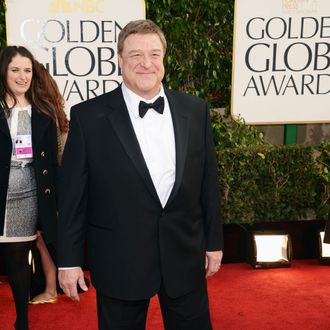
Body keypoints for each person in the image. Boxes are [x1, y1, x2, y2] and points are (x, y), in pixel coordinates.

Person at [57, 19, 223, 330]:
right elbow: (72, 198)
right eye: (135, 55)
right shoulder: (88, 117)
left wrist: (213, 242)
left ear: (164, 58)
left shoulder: (195, 110)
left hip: (184, 256)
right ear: (119, 59)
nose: (146, 63)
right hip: (119, 260)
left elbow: (207, 183)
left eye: (154, 54)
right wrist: (68, 260)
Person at [0, 46, 67, 329]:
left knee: (18, 259)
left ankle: (22, 321)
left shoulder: (42, 112)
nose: (22, 76)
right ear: (3, 71)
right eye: (15, 69)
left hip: (27, 194)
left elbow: (53, 162)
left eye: (27, 70)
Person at [28, 61, 68, 305]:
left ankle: (51, 287)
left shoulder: (41, 111)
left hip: (50, 183)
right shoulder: (52, 107)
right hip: (57, 182)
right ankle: (52, 285)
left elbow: (55, 153)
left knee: (41, 238)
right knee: (42, 237)